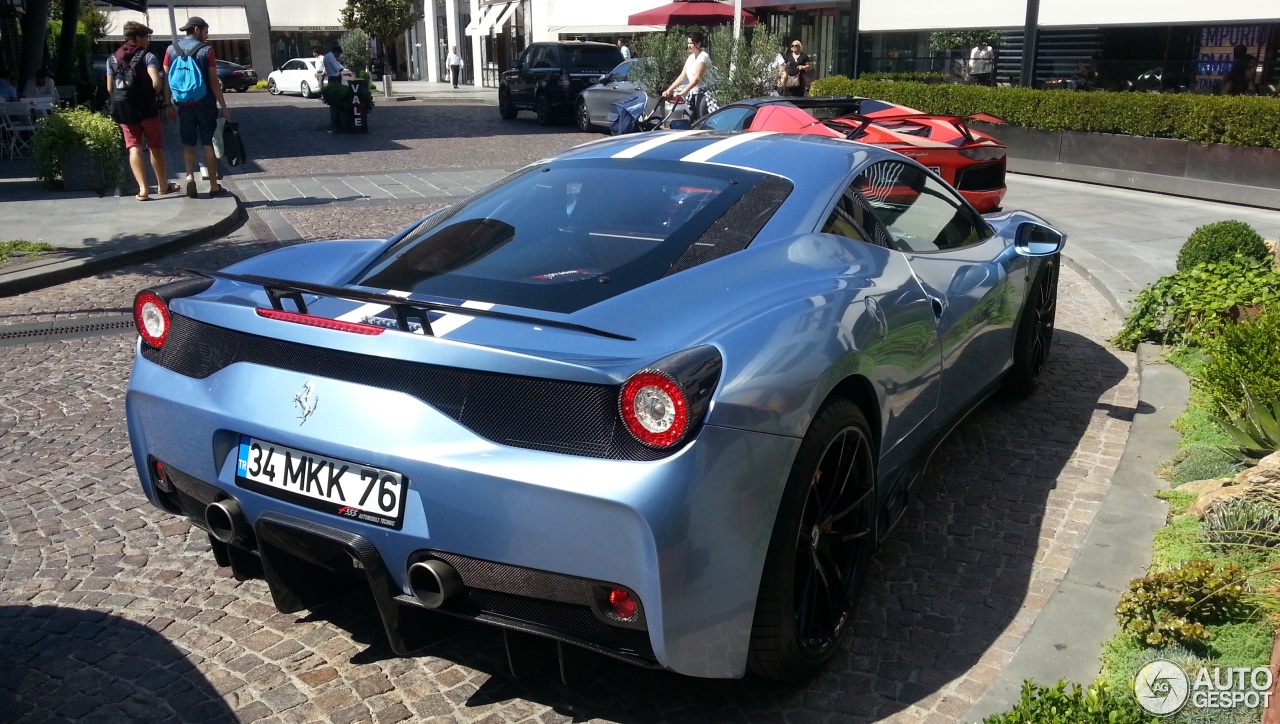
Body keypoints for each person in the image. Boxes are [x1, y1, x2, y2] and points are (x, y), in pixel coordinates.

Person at [108, 21, 178, 201]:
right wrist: (155, 92)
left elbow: (109, 88)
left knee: (133, 146)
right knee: (155, 146)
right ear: (138, 38)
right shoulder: (148, 56)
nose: (149, 40)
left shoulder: (112, 58)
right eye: (147, 37)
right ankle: (163, 186)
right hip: (147, 109)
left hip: (125, 111)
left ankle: (143, 190)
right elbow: (156, 82)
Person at [163, 16, 231, 198]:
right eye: (205, 32)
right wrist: (224, 107)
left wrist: (167, 103)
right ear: (196, 29)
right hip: (206, 103)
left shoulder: (171, 49)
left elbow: (167, 79)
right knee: (208, 143)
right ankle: (214, 186)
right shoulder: (207, 50)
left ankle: (189, 177)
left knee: (188, 143)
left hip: (184, 105)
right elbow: (214, 81)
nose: (206, 36)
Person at [662, 31, 711, 124]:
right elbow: (682, 77)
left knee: (702, 121)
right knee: (689, 121)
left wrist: (682, 92)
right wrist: (669, 90)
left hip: (703, 94)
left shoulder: (703, 57)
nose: (689, 45)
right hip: (693, 94)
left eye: (691, 43)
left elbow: (697, 79)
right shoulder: (691, 58)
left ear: (698, 43)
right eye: (688, 43)